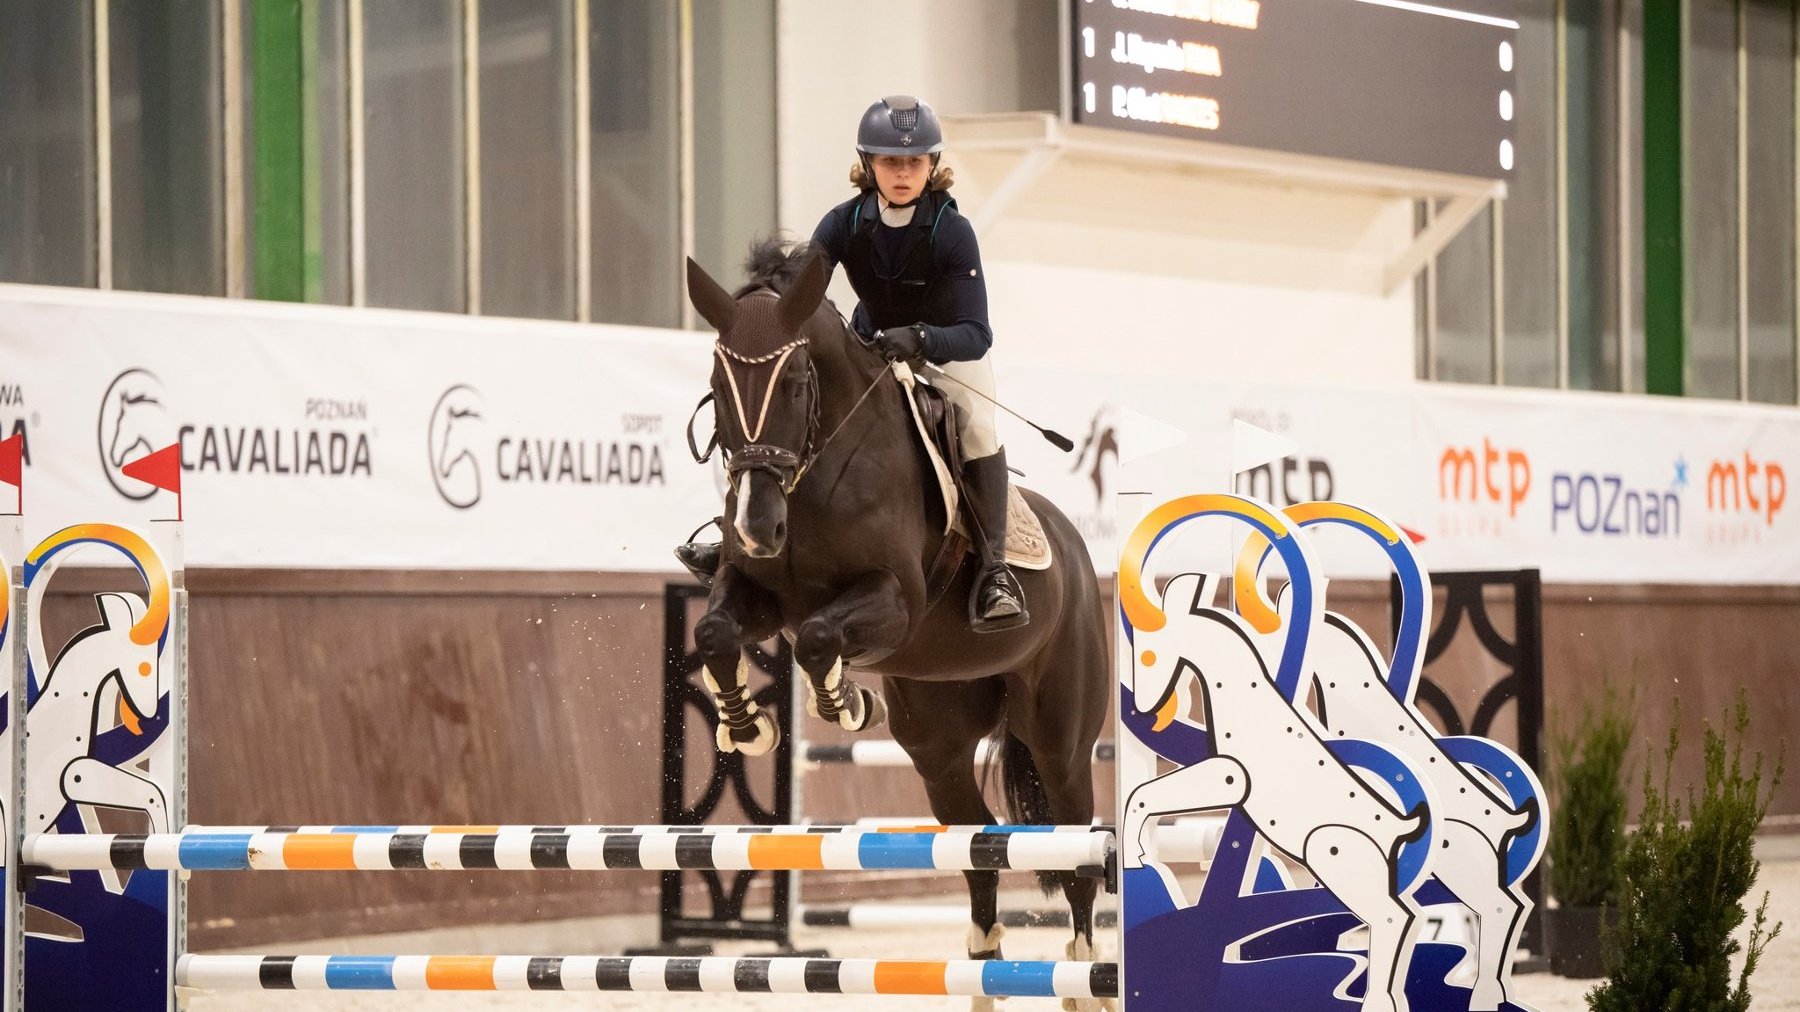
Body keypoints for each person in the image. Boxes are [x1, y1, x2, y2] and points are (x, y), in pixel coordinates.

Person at [677, 94, 1028, 633]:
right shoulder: (843, 223)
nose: (903, 173)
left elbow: (977, 334)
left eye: (915, 162)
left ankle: (995, 569)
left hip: (945, 352)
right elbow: (801, 288)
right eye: (891, 162)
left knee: (977, 427)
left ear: (933, 165)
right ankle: (735, 541)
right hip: (873, 349)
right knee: (778, 407)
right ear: (868, 165)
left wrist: (921, 337)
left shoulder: (953, 233)